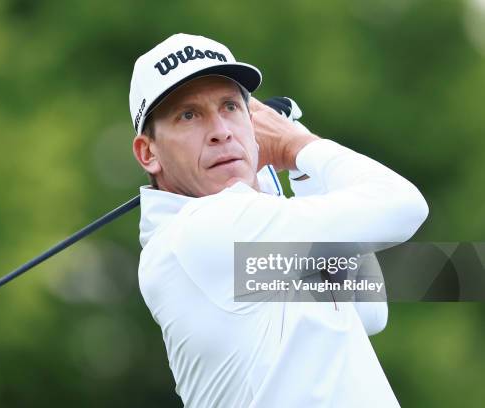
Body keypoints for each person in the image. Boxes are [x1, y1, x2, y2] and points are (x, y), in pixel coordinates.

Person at [129, 33, 428, 407]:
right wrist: (296, 146)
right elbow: (403, 204)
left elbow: (367, 308)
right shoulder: (202, 230)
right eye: (189, 115)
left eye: (230, 108)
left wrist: (300, 176)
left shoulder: (237, 232)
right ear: (148, 152)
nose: (220, 131)